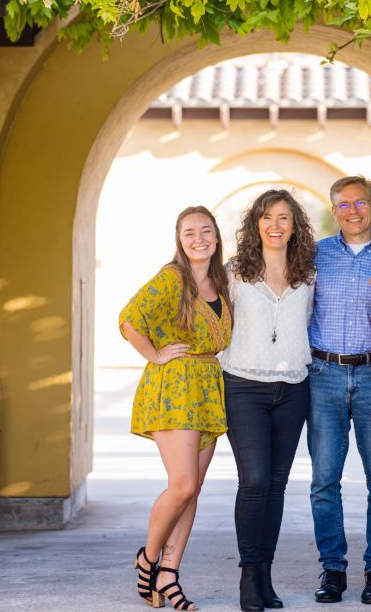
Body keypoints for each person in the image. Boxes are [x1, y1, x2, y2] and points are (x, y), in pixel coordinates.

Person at [120, 205, 233, 612]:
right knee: (182, 485)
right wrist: (155, 355)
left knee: (193, 489)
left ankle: (169, 573)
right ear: (179, 240)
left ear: (216, 237)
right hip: (174, 387)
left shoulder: (221, 282)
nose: (198, 238)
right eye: (189, 232)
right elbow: (130, 319)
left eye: (206, 230)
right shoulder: (173, 278)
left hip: (206, 388)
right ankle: (148, 559)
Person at [307, 175, 371, 605]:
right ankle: (333, 570)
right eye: (344, 204)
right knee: (324, 481)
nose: (353, 210)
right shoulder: (314, 255)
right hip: (323, 374)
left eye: (360, 202)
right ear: (334, 210)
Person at [219, 189, 316, 612]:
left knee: (276, 484)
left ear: (295, 226)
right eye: (267, 218)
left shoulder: (308, 273)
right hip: (244, 386)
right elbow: (208, 316)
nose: (275, 226)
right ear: (255, 224)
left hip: (293, 387)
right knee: (255, 480)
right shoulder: (234, 272)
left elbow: (314, 321)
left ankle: (265, 575)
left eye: (283, 218)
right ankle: (247, 574)